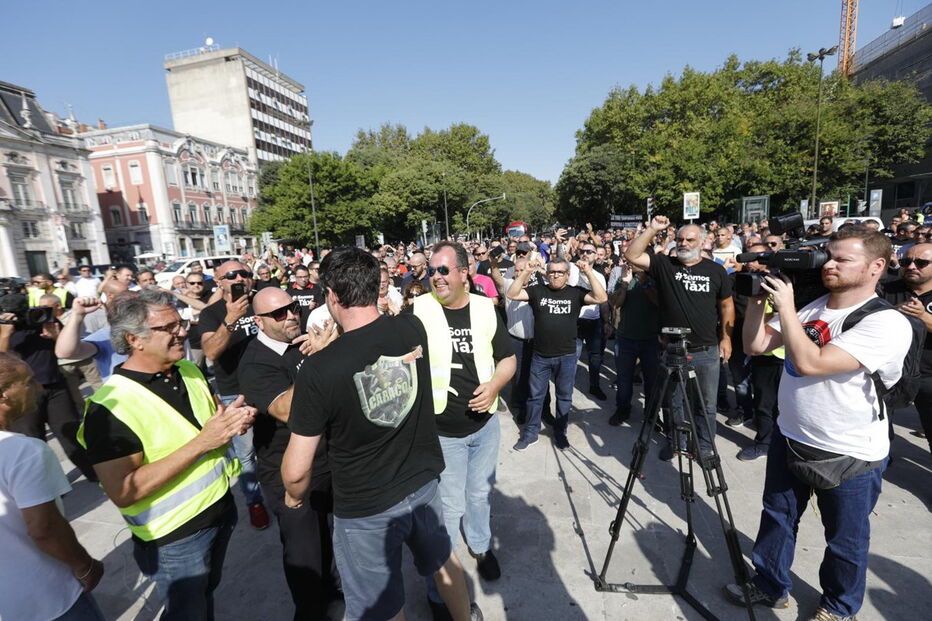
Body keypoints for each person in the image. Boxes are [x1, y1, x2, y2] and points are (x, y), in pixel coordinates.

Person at [281, 247, 481, 621]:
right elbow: (371, 345)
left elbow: (295, 470)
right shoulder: (411, 328)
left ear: (332, 296)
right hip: (423, 483)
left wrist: (293, 501)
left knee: (382, 605)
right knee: (443, 563)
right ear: (377, 288)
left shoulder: (318, 369)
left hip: (365, 506)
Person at [726, 225, 911, 620]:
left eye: (843, 259)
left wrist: (788, 307)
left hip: (849, 453)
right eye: (829, 255)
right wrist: (759, 301)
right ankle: (771, 584)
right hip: (791, 436)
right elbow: (755, 345)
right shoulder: (815, 306)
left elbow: (811, 363)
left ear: (877, 266)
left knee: (845, 541)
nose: (831, 265)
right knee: (776, 520)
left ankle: (838, 606)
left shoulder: (887, 322)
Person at [78, 289, 257, 619]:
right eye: (170, 327)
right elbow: (123, 491)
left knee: (202, 601)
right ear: (135, 339)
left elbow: (213, 422)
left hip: (220, 512)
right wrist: (204, 441)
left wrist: (233, 422)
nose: (183, 331)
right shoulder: (110, 407)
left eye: (181, 322)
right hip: (175, 539)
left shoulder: (189, 369)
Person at [411, 241, 515, 615]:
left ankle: (481, 547)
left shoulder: (485, 308)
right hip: (442, 432)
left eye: (442, 270)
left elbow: (508, 358)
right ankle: (439, 591)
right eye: (431, 270)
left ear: (463, 273)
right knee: (448, 508)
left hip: (484, 427)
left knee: (480, 495)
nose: (434, 277)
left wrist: (494, 387)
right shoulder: (419, 309)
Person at [239, 287, 341, 620]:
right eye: (279, 313)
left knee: (325, 538)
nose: (291, 316)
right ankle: (310, 612)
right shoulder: (255, 362)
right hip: (287, 471)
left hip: (326, 461)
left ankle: (326, 589)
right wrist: (318, 360)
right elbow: (286, 409)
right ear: (258, 321)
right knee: (303, 554)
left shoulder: (300, 343)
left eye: (292, 307)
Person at [0, 353, 105, 621]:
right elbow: (44, 529)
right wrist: (85, 566)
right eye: (28, 381)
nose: (39, 388)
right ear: (3, 396)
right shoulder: (24, 451)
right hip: (49, 599)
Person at [625, 216, 735, 459]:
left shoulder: (716, 271)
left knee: (705, 405)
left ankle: (705, 446)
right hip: (672, 349)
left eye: (690, 239)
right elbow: (632, 256)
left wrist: (726, 338)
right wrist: (652, 229)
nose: (684, 243)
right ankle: (677, 442)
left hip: (706, 351)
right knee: (674, 402)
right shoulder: (665, 265)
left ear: (703, 242)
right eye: (680, 239)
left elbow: (727, 305)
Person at [507, 255, 606, 450]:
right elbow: (512, 294)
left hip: (567, 356)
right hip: (540, 356)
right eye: (552, 272)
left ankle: (560, 432)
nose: (555, 276)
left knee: (564, 396)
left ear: (567, 275)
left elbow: (601, 298)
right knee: (535, 397)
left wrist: (588, 272)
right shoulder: (537, 291)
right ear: (547, 273)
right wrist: (526, 271)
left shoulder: (575, 293)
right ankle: (530, 432)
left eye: (560, 272)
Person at [199, 261, 269, 529]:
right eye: (232, 275)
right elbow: (211, 353)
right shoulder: (212, 313)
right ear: (218, 281)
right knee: (246, 453)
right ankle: (254, 501)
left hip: (270, 385)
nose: (240, 278)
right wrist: (230, 319)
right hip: (235, 394)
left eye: (245, 274)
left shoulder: (262, 301)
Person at [0, 293, 96, 482]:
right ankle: (48, 489)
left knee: (71, 433)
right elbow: (2, 361)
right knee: (33, 440)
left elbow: (65, 347)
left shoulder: (40, 317)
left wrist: (55, 336)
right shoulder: (3, 330)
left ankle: (96, 475)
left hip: (55, 387)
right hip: (23, 392)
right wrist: (5, 333)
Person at [880, 242, 932, 449]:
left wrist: (922, 316)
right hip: (888, 375)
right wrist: (893, 312)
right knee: (878, 432)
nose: (911, 266)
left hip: (929, 377)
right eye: (906, 261)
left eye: (921, 263)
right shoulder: (885, 287)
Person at [608, 262, 659, 426]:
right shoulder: (625, 277)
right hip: (626, 338)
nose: (629, 264)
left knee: (652, 381)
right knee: (624, 379)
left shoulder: (655, 277)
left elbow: (659, 302)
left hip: (651, 339)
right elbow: (615, 303)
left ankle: (651, 415)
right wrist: (624, 283)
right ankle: (622, 410)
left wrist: (643, 281)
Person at [571, 242, 610, 399]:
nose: (585, 254)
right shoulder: (571, 270)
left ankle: (595, 386)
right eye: (583, 251)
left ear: (596, 255)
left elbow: (603, 301)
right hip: (574, 320)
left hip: (593, 322)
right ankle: (567, 387)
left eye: (589, 251)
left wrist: (606, 322)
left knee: (595, 357)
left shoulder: (599, 276)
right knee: (572, 356)